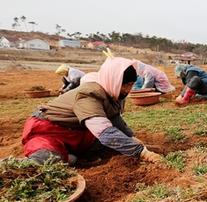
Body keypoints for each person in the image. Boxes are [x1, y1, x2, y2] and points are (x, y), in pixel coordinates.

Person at [22, 57, 162, 165]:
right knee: (48, 161)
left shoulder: (111, 92)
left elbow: (117, 123)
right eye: (125, 85)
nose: (127, 90)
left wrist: (139, 144)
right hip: (49, 130)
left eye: (130, 85)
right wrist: (142, 153)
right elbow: (105, 133)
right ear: (114, 80)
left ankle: (75, 155)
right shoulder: (89, 94)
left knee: (108, 147)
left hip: (78, 132)